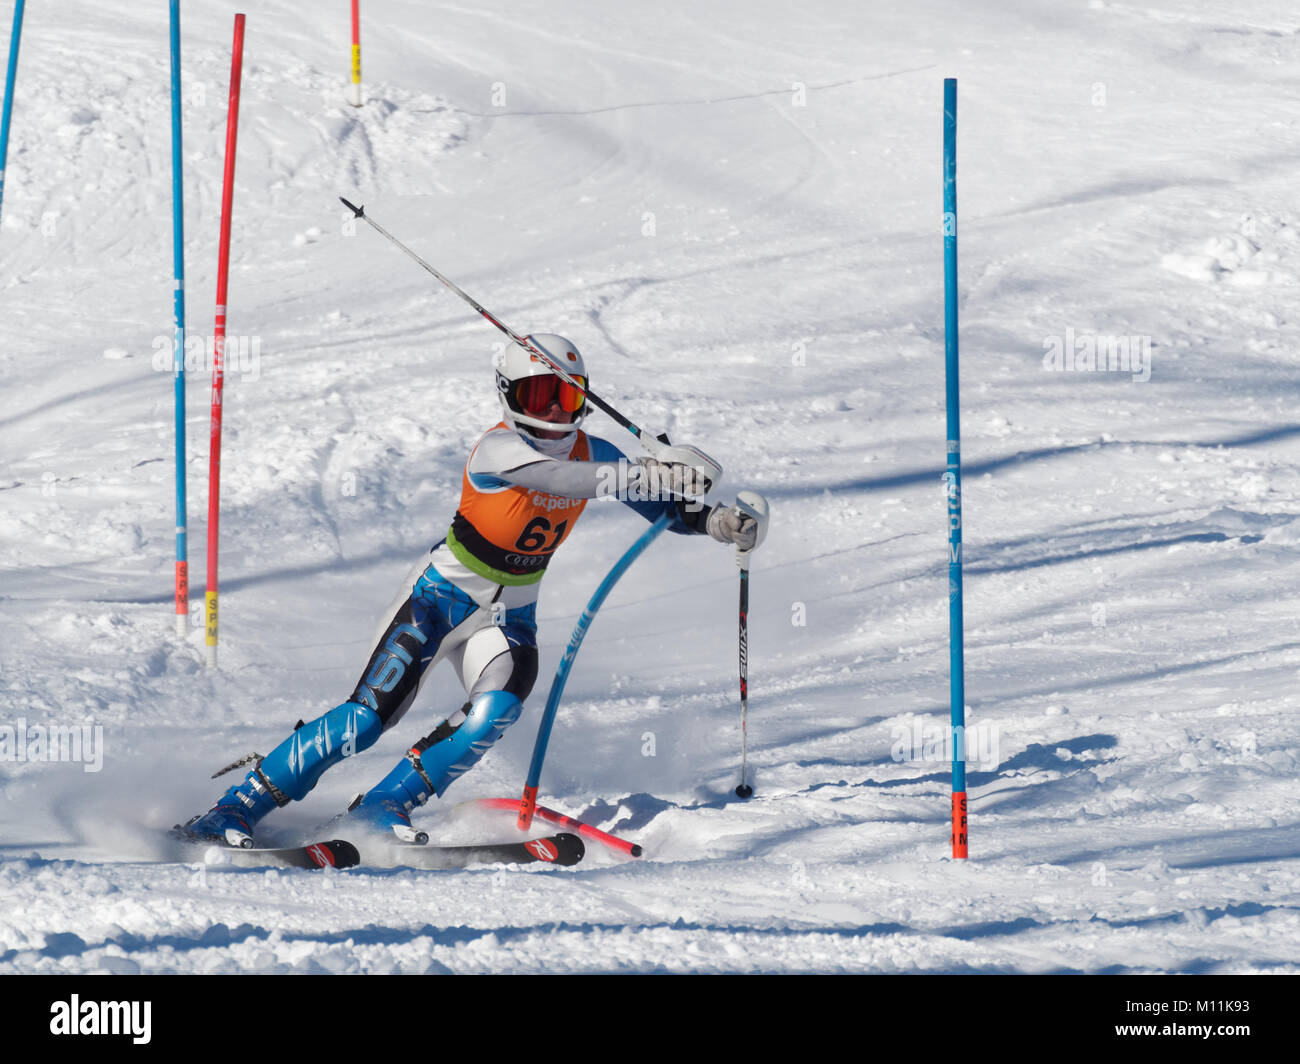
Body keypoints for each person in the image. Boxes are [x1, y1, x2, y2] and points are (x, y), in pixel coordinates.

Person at [179, 334, 765, 847]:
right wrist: (648, 469)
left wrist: (717, 522)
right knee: (365, 720)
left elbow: (659, 504)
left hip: (510, 616)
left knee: (496, 711)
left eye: (567, 396)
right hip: (438, 601)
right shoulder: (498, 450)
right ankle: (235, 807)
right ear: (510, 397)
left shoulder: (598, 455)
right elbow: (566, 478)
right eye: (541, 397)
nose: (557, 413)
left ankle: (385, 807)